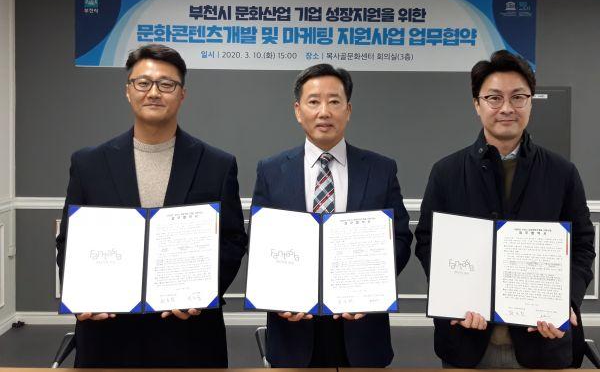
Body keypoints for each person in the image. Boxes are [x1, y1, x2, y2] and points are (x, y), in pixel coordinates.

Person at [56, 43, 247, 367]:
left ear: (182, 94)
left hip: (189, 333)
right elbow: (69, 241)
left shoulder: (217, 164)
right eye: (143, 83)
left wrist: (202, 292)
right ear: (128, 91)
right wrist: (80, 295)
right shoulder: (89, 163)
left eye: (166, 84)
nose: (154, 92)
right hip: (108, 333)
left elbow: (232, 240)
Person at [415, 50, 595, 368]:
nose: (507, 108)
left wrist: (564, 301)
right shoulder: (447, 172)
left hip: (543, 343)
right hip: (467, 343)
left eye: (518, 97)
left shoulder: (562, 172)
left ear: (531, 102)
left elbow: (582, 246)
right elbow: (429, 242)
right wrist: (454, 297)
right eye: (494, 98)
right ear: (477, 104)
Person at [252, 63, 412, 367]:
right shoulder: (271, 171)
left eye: (334, 101)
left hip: (362, 330)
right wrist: (277, 295)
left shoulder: (380, 169)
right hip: (293, 330)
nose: (324, 112)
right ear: (298, 111)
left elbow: (401, 239)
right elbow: (260, 244)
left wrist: (372, 286)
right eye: (314, 101)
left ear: (348, 110)